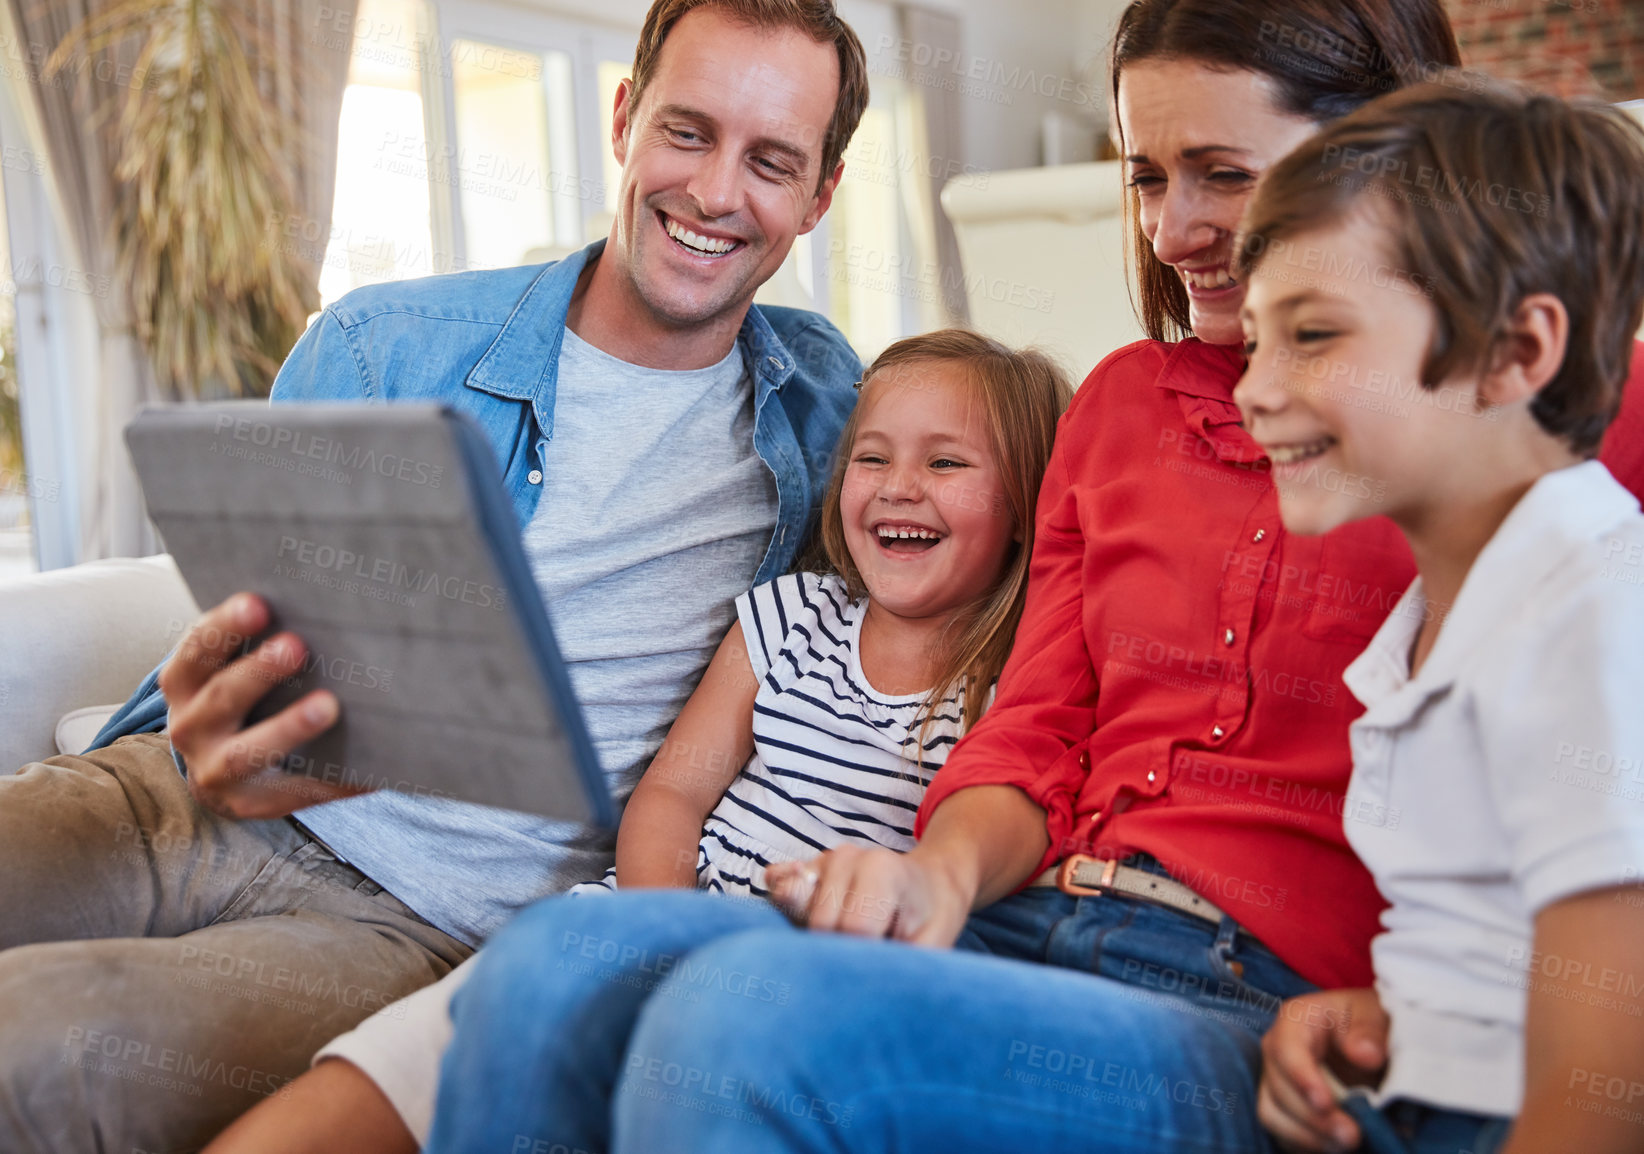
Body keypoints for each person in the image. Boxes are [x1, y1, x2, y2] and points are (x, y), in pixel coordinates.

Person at [408, 2, 1644, 1152]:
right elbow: (1036, 726)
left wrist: (1401, 1005)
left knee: (751, 1020)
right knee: (559, 962)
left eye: (1224, 172)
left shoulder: (1536, 419)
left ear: (1384, 154)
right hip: (1032, 917)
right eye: (1147, 176)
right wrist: (933, 875)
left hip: (1253, 998)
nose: (1170, 231)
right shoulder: (1119, 408)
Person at [0, 0, 868, 1149]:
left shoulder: (837, 418)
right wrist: (222, 702)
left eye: (771, 162)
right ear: (624, 120)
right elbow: (250, 629)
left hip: (415, 927)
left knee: (2, 1046)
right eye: (687, 131)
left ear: (821, 194)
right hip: (174, 793)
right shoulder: (384, 344)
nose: (716, 193)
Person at [425, 329, 1072, 1152]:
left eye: (946, 464)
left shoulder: (1010, 689)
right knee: (508, 1024)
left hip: (802, 983)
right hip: (663, 911)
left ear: (1026, 506)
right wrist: (663, 927)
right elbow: (673, 793)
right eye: (871, 459)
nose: (899, 488)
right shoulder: (792, 617)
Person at [1238, 83, 1644, 1154]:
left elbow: (1606, 1078)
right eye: (1253, 341)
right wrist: (1391, 1015)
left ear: (1515, 352)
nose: (1252, 389)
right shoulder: (1443, 620)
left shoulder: (1592, 608)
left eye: (1311, 334)